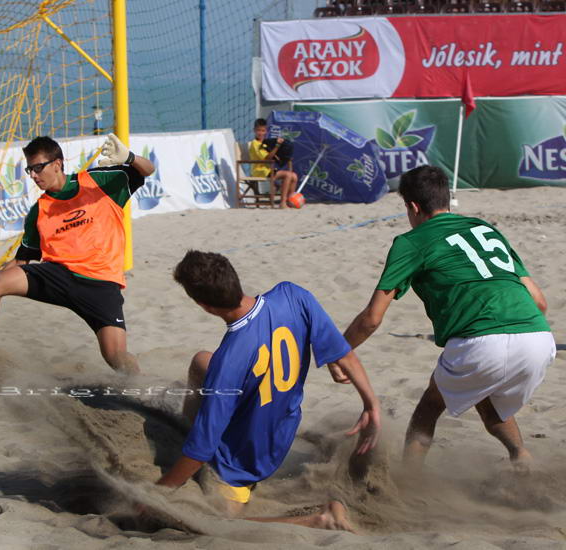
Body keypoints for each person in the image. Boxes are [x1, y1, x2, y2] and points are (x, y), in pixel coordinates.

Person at [339, 165, 555, 472]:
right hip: (538, 338)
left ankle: (409, 481)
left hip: (481, 341)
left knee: (429, 406)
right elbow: (540, 301)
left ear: (413, 207)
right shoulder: (484, 229)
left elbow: (372, 318)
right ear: (446, 198)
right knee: (487, 397)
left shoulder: (412, 241)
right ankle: (521, 458)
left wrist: (339, 352)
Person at [155, 250, 381, 530]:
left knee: (214, 523)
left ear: (205, 306)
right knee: (202, 361)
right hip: (283, 432)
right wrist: (371, 404)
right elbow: (345, 354)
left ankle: (321, 519)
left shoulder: (230, 360)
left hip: (243, 461)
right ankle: (188, 430)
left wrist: (157, 493)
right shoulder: (292, 295)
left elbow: (201, 450)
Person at [0, 134, 155, 377]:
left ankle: (140, 385)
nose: (33, 175)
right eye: (29, 169)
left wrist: (129, 157)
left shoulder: (98, 181)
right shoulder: (39, 211)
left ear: (57, 164)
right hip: (59, 276)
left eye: (38, 167)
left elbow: (148, 170)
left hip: (101, 284)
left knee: (116, 357)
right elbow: (21, 260)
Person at [249, 118, 298, 209]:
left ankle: (289, 200)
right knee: (288, 175)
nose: (260, 133)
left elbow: (275, 157)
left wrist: (285, 156)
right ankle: (282, 202)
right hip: (260, 171)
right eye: (258, 130)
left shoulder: (266, 143)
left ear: (266, 131)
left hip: (268, 169)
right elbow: (267, 158)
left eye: (263, 130)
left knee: (294, 176)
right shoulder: (255, 144)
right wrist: (277, 146)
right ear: (254, 130)